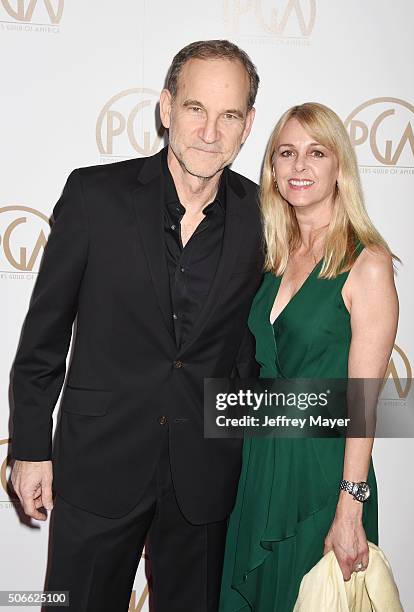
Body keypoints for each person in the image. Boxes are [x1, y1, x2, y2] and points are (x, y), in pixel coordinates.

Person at [10, 39, 264, 612]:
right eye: (196, 109)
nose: (209, 131)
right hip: (100, 462)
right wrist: (29, 447)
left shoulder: (261, 217)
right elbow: (44, 336)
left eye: (229, 116)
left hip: (205, 476)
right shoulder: (95, 196)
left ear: (248, 126)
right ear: (166, 108)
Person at [219, 102, 399, 611]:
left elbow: (363, 400)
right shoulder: (274, 256)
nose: (299, 166)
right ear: (272, 170)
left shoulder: (367, 262)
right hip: (260, 463)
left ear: (338, 166)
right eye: (286, 153)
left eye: (316, 153)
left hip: (321, 477)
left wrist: (350, 506)